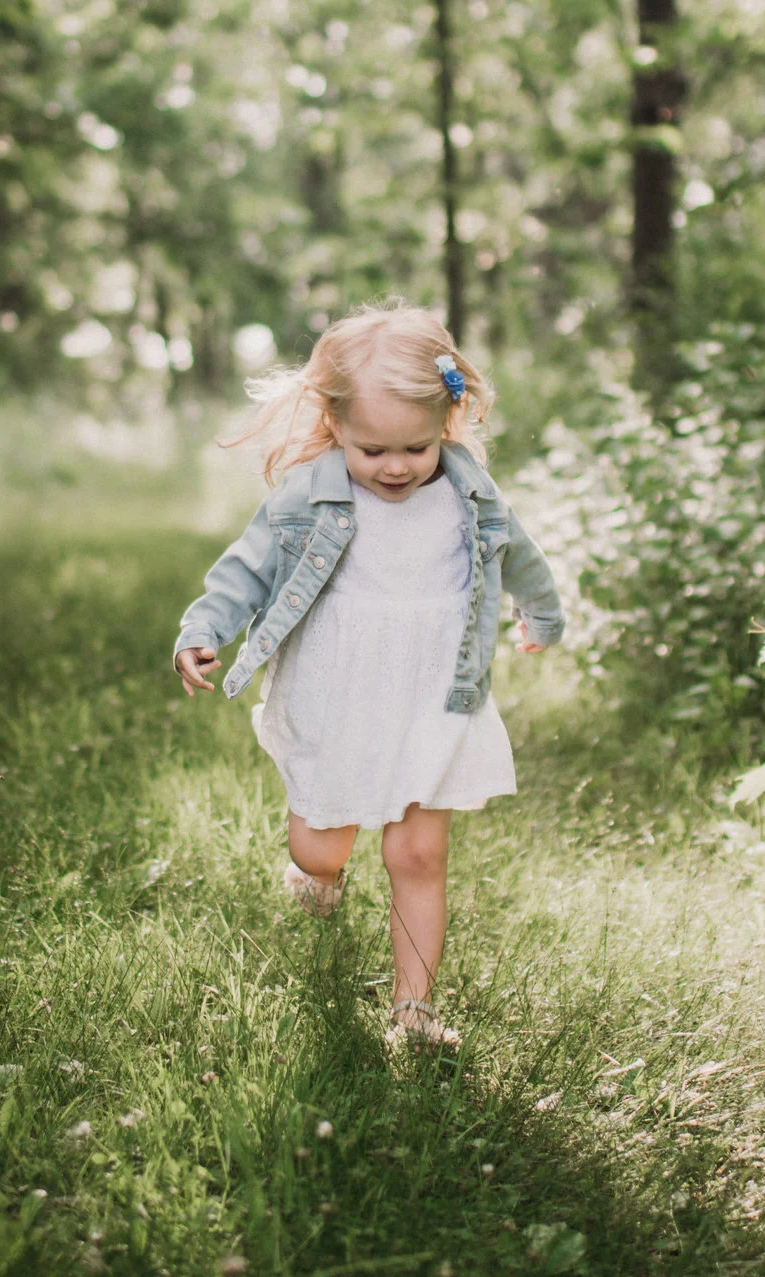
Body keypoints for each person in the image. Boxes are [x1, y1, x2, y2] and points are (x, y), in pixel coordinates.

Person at [172, 302, 564, 1048]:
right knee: (322, 844)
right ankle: (318, 875)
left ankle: (413, 1013)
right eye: (372, 448)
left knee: (417, 852)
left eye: (415, 447)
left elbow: (520, 554)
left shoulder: (468, 490)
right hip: (336, 691)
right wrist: (204, 628)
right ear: (336, 424)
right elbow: (246, 569)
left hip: (434, 693)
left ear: (447, 422)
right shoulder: (311, 492)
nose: (395, 466)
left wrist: (539, 615)